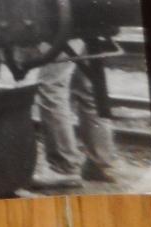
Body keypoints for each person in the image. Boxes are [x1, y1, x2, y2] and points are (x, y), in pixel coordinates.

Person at [28, 41, 120, 189]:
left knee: (52, 87)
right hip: (88, 27)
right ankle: (100, 162)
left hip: (65, 28)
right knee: (88, 89)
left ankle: (64, 168)